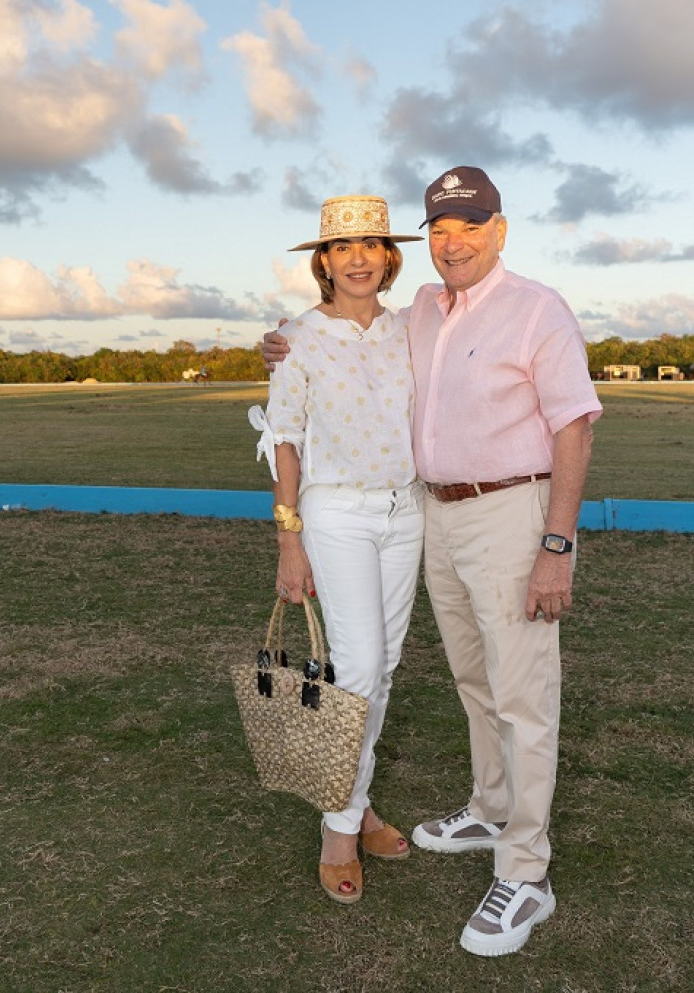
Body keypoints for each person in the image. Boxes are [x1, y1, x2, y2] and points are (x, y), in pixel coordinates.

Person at [262, 166, 602, 955]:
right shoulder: (421, 310)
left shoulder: (531, 308)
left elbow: (576, 427)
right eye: (440, 229)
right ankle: (482, 807)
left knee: (516, 691)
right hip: (423, 513)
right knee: (463, 677)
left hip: (505, 512)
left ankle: (525, 871)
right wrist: (277, 340)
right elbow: (294, 394)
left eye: (470, 227)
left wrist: (556, 545)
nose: (453, 242)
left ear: (499, 230)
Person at [248, 195, 425, 906]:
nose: (358, 256)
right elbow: (284, 440)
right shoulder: (297, 338)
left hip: (404, 510)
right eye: (342, 246)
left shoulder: (412, 329)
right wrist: (289, 539)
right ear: (323, 262)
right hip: (336, 512)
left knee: (382, 668)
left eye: (371, 244)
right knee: (358, 666)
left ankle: (358, 803)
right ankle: (339, 829)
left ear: (389, 258)